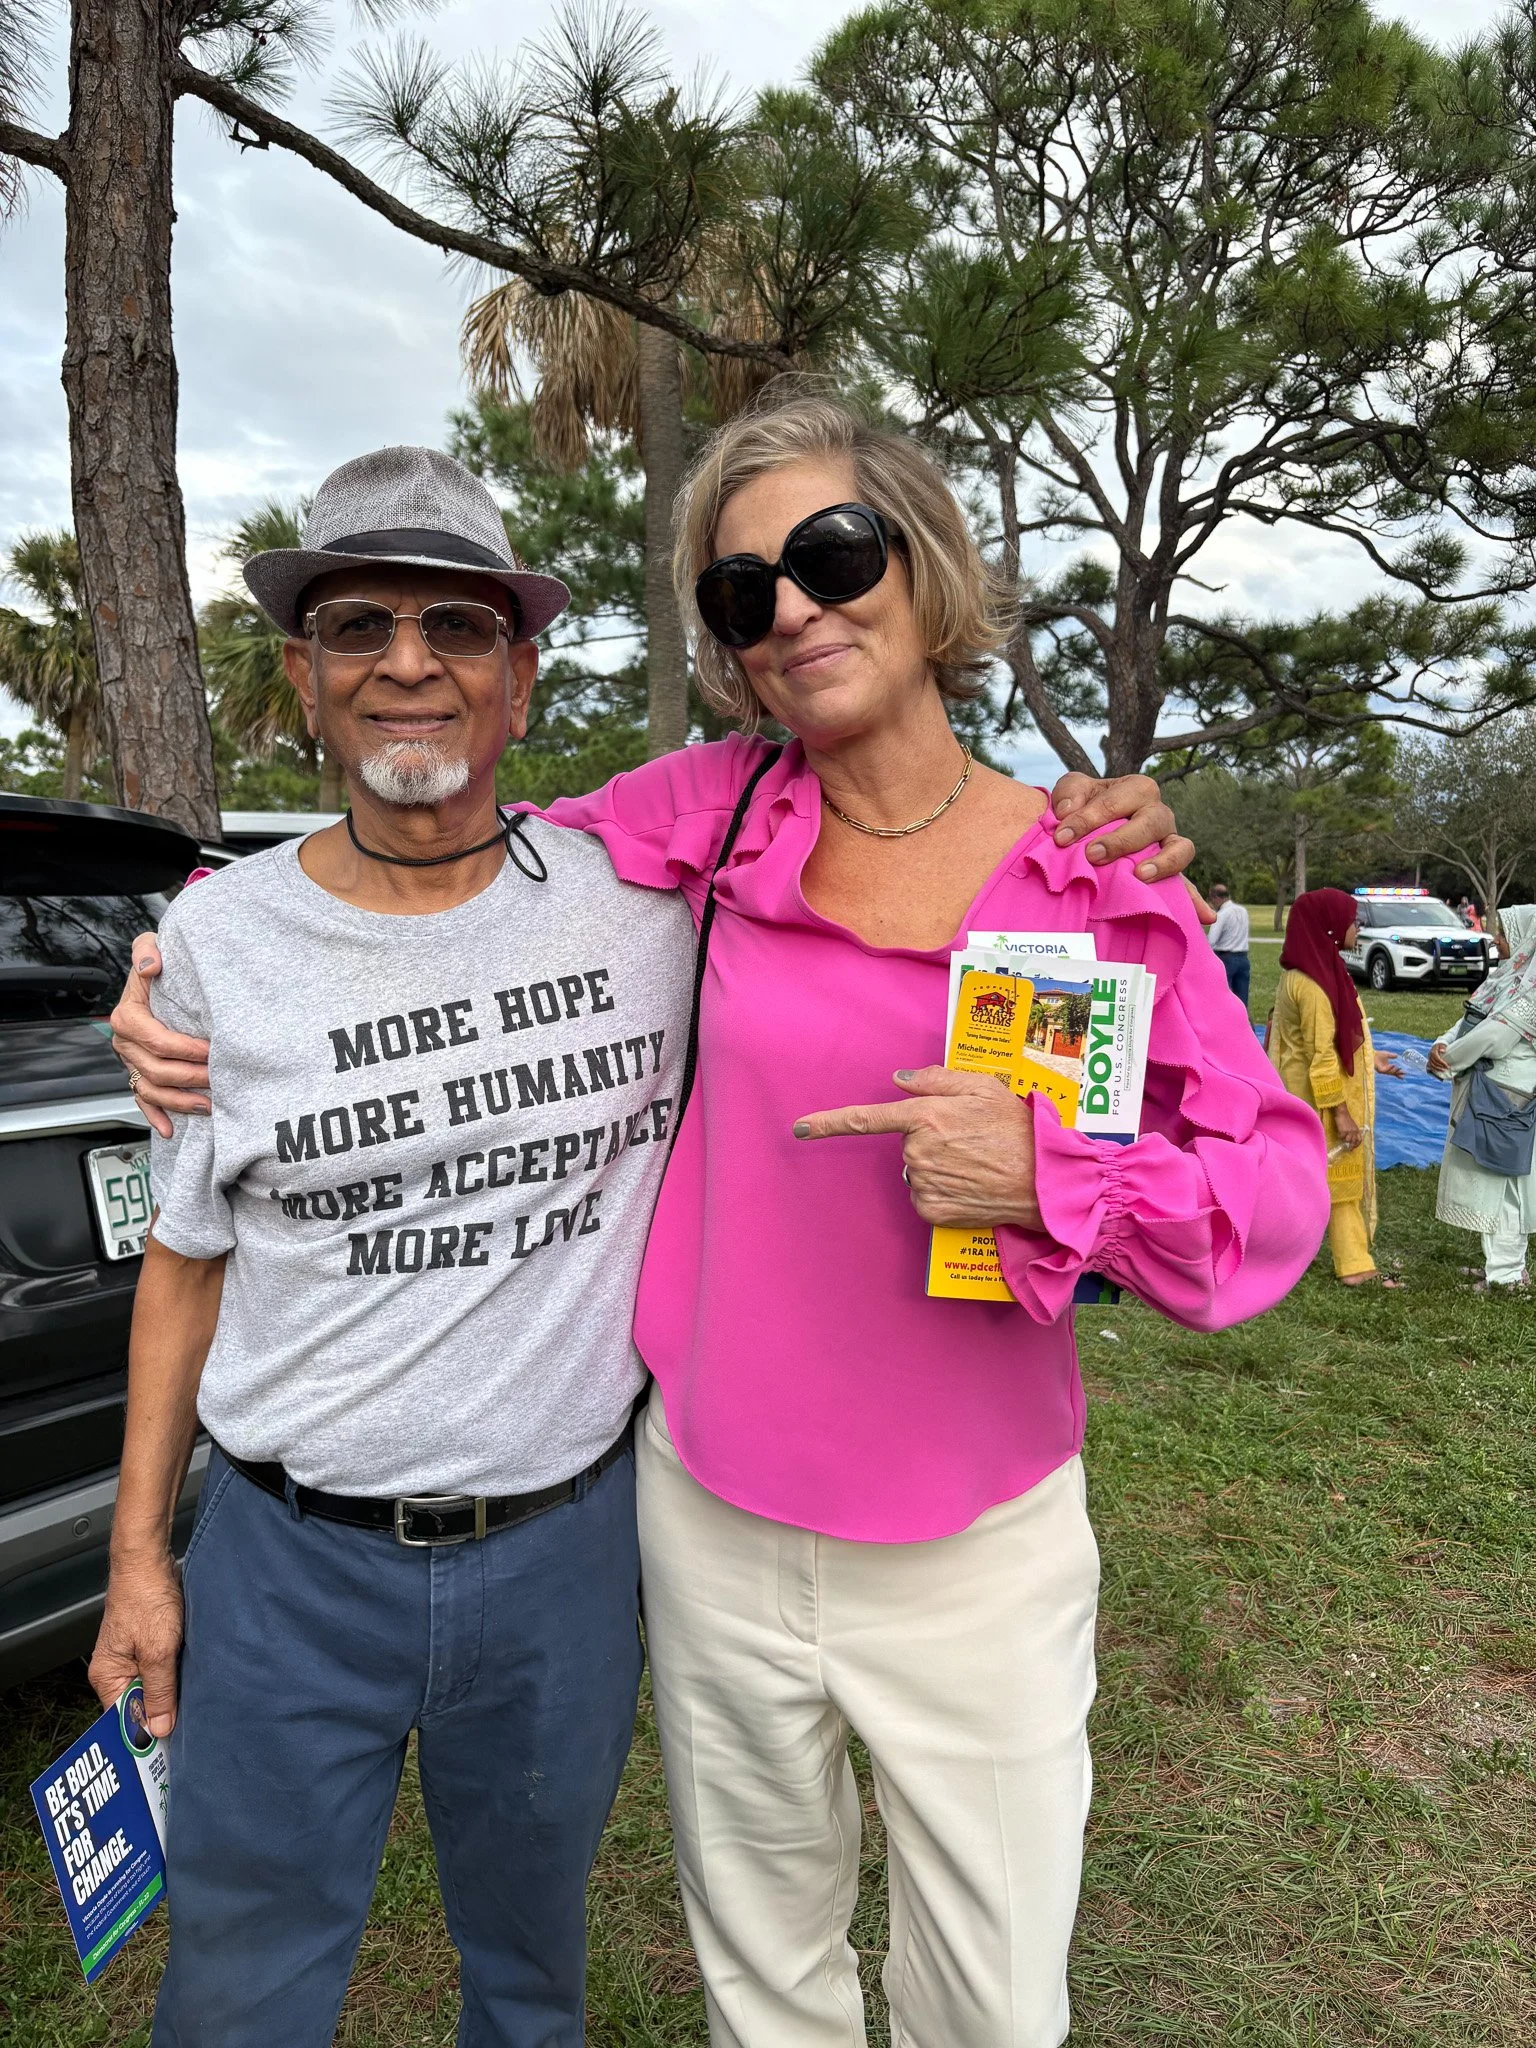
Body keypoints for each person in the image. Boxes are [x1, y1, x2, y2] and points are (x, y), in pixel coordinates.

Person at [105, 430, 1197, 2047]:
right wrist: (137, 1552)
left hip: (564, 1555)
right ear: (306, 677)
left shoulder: (641, 892)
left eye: (456, 626)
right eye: (360, 628)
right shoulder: (214, 939)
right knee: (240, 1991)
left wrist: (1087, 819)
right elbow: (184, 1259)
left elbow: (877, 825)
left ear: (521, 677)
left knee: (533, 1985)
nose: (409, 664)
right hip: (285, 1555)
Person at [1267, 887, 1402, 1287]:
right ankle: (1355, 1266)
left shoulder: (1313, 968)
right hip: (1317, 1099)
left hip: (1308, 1094)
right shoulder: (1311, 985)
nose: (1357, 928)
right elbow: (1321, 1055)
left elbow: (1336, 1035)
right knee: (1338, 1181)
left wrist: (1370, 1058)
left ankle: (1277, 1256)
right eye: (1351, 920)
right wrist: (1341, 1113)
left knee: (1306, 1182)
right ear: (1328, 927)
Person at [1428, 906, 1536, 1290]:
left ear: (1526, 940)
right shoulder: (1510, 979)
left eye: (1504, 934)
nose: (1495, 940)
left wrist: (1448, 1061)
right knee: (1495, 1182)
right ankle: (1500, 1267)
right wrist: (1443, 1043)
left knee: (1505, 1188)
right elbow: (1474, 1018)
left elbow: (1496, 1037)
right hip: (1494, 1092)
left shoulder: (1531, 992)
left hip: (1508, 1098)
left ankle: (1507, 1276)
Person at [1206, 882, 1252, 1006]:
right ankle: (1245, 1024)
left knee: (1222, 999)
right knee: (1242, 1001)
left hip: (1226, 958)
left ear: (1215, 898)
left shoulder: (1222, 914)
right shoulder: (1243, 911)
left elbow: (1211, 940)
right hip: (1243, 958)